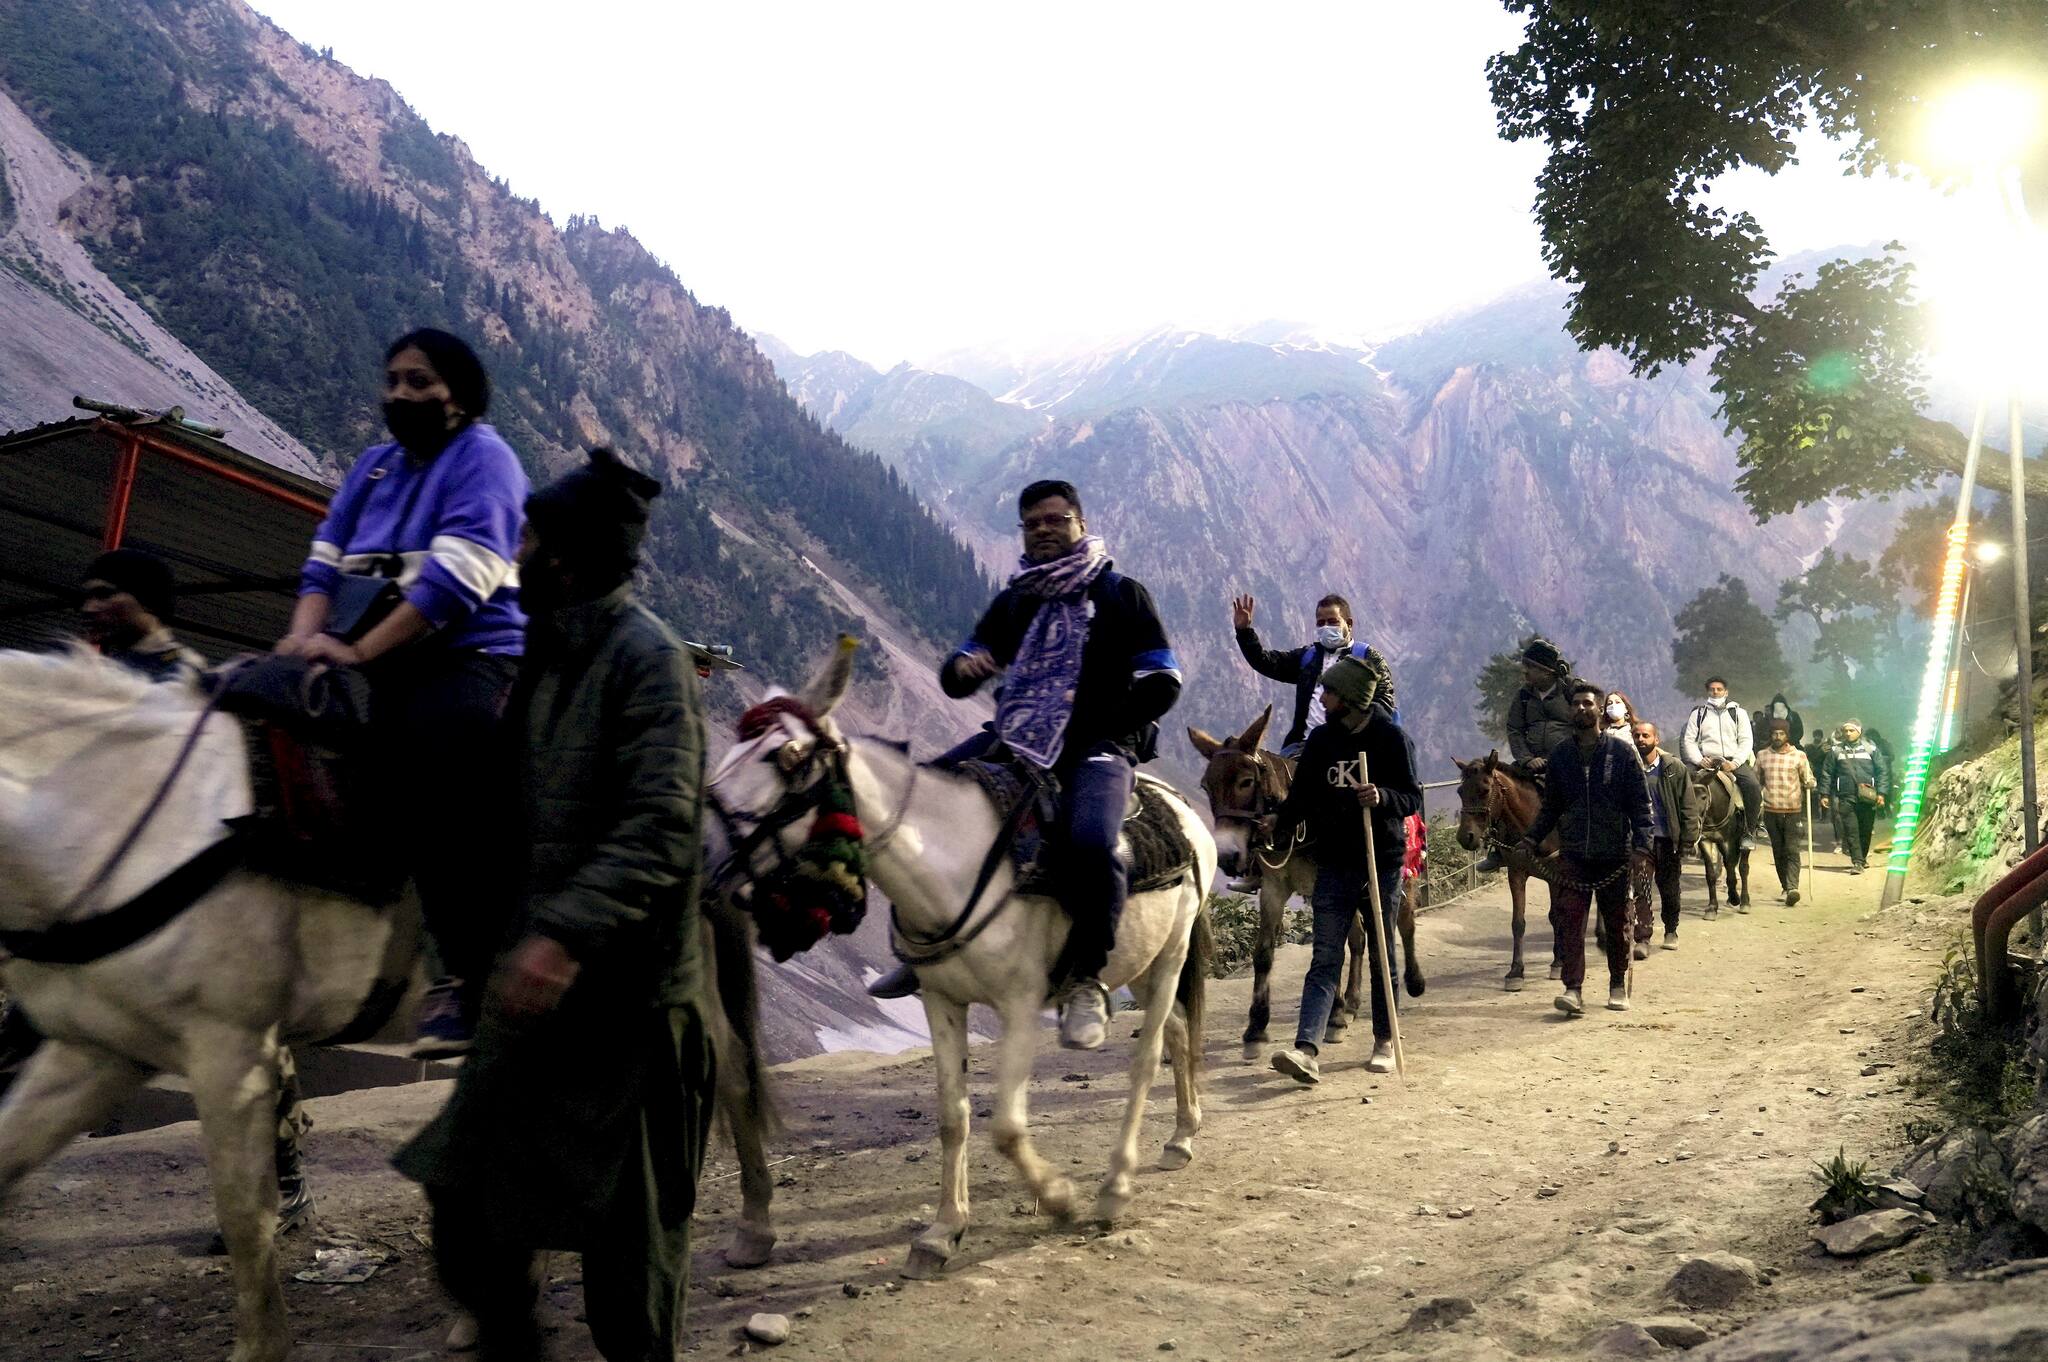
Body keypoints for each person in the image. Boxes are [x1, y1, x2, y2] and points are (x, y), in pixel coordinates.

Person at [395, 448, 713, 1362]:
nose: (516, 552)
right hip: (534, 1002)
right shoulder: (545, 652)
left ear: (566, 558)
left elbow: (661, 824)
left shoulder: (647, 659)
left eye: (528, 539)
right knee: (463, 1195)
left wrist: (564, 936)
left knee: (630, 1265)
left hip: (631, 1007)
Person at [0, 550, 314, 1238]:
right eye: (87, 594)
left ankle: (285, 1181)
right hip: (88, 907)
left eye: (106, 593)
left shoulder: (186, 684)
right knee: (26, 1035)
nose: (90, 607)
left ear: (146, 602)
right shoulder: (89, 683)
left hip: (180, 903)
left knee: (251, 1049)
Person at [279, 329, 528, 1058]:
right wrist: (301, 641)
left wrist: (356, 652)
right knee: (252, 708)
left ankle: (468, 977)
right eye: (392, 381)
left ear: (461, 394)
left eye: (419, 382)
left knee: (434, 760)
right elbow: (323, 565)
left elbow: (453, 585)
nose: (400, 395)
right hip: (365, 653)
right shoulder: (373, 466)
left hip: (467, 656)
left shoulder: (486, 459)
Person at [913, 479, 1180, 1050]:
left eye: (1055, 520)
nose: (1043, 531)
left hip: (1098, 745)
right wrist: (964, 668)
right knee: (921, 796)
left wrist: (1098, 720)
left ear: (1080, 524)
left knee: (1092, 841)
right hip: (1017, 739)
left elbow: (1163, 680)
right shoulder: (1017, 601)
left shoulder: (1121, 595)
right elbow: (960, 667)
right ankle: (923, 949)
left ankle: (1087, 979)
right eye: (1032, 524)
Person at [1264, 656, 1421, 1084]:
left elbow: (1412, 796)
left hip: (1379, 861)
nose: (1322, 699)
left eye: (1329, 693)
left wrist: (1382, 797)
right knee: (1325, 956)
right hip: (1333, 862)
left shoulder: (1391, 738)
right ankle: (1306, 1049)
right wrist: (1278, 821)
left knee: (1382, 953)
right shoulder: (1321, 740)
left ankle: (1384, 1040)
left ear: (1349, 698)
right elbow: (1301, 797)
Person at [1519, 682, 1653, 1016]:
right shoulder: (1561, 756)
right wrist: (1530, 839)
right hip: (1574, 853)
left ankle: (1617, 984)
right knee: (1570, 922)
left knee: (1617, 923)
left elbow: (1640, 804)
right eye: (1576, 703)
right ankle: (1573, 989)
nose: (1581, 708)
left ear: (1599, 710)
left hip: (1615, 854)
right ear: (1570, 710)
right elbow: (1551, 807)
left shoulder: (1621, 754)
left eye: (1588, 703)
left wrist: (1642, 845)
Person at [1230, 591, 1397, 756]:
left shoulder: (1368, 658)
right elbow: (1265, 662)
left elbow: (1384, 701)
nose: (1326, 627)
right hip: (1302, 749)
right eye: (1321, 623)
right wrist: (1244, 632)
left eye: (1333, 622)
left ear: (1349, 624)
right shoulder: (1308, 657)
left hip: (1352, 748)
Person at [1476, 636, 1579, 872]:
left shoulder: (1570, 691)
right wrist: (1526, 759)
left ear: (1546, 671)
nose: (1526, 673)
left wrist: (1561, 757)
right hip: (1529, 762)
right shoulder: (1524, 696)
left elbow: (1584, 724)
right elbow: (1514, 729)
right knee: (1503, 790)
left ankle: (1576, 845)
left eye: (1530, 667)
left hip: (1567, 761)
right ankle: (1499, 849)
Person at [1632, 721, 1702, 951]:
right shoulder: (1629, 768)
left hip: (1667, 840)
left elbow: (1688, 804)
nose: (1641, 739)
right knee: (1641, 889)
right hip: (1641, 841)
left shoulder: (1673, 768)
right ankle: (1642, 938)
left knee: (1669, 888)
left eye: (1646, 735)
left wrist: (1688, 838)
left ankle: (1671, 930)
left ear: (1656, 739)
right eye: (1637, 735)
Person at [1680, 676, 1761, 846]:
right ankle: (1681, 829)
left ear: (1726, 692)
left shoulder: (1738, 713)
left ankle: (1749, 831)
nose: (1715, 692)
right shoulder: (1698, 713)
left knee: (1753, 786)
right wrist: (1699, 760)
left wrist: (1735, 763)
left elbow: (1746, 740)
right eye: (1712, 689)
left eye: (1719, 689)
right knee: (1680, 783)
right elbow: (1689, 740)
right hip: (1706, 760)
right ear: (1708, 692)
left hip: (1731, 760)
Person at [1757, 718, 1817, 904]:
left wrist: (1810, 783)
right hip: (1771, 810)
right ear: (1770, 735)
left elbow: (1809, 779)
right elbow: (1756, 780)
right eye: (1774, 733)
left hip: (1792, 811)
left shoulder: (1799, 755)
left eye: (1781, 733)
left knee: (1791, 849)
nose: (1777, 736)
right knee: (1778, 851)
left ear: (1787, 735)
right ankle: (1785, 886)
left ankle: (1792, 888)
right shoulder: (1762, 755)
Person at [1820, 719, 1892, 874]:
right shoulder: (1836, 751)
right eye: (1845, 731)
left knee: (1865, 829)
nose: (1848, 733)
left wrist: (1881, 793)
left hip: (1867, 797)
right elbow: (1827, 773)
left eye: (1851, 730)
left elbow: (1882, 772)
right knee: (1851, 830)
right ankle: (1857, 862)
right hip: (1846, 796)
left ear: (1859, 731)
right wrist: (1824, 794)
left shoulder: (1871, 749)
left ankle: (1862, 858)